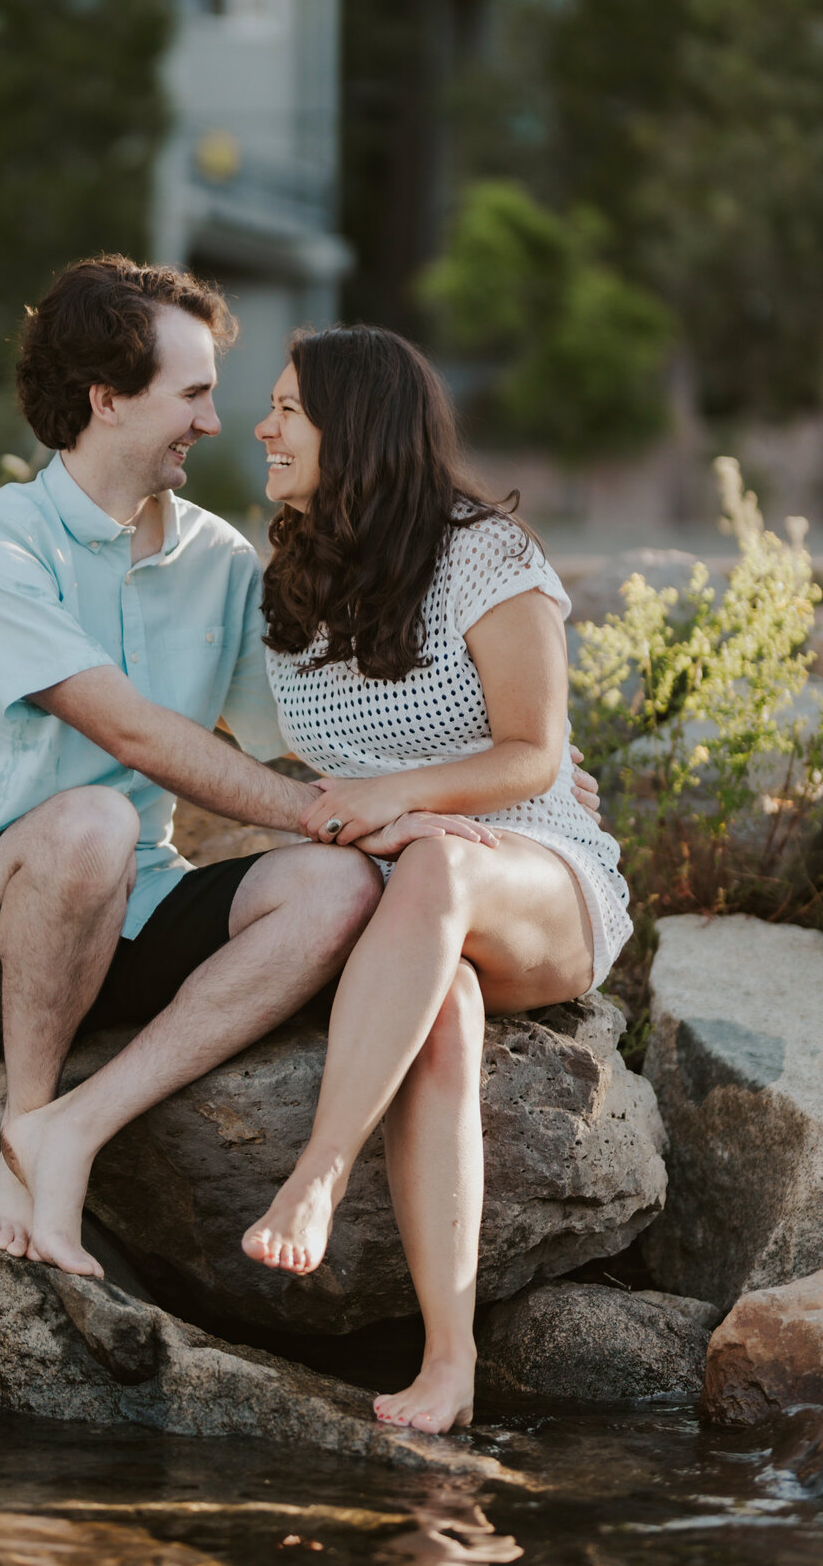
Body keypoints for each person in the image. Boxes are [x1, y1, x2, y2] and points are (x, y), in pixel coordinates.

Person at [0, 256, 390, 1274]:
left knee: (338, 885)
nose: (216, 421)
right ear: (107, 400)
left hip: (133, 915)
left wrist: (491, 776)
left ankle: (71, 1126)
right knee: (92, 823)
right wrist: (316, 812)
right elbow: (132, 734)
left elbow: (306, 734)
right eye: (193, 393)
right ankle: (24, 1145)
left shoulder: (219, 560)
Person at [238, 324, 632, 1437]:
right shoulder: (296, 571)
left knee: (441, 870)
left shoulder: (490, 557)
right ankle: (447, 1365)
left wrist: (405, 801)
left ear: (354, 429)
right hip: (412, 892)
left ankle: (320, 1170)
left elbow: (533, 756)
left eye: (287, 411)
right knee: (441, 1017)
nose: (262, 428)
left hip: (536, 874)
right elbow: (300, 759)